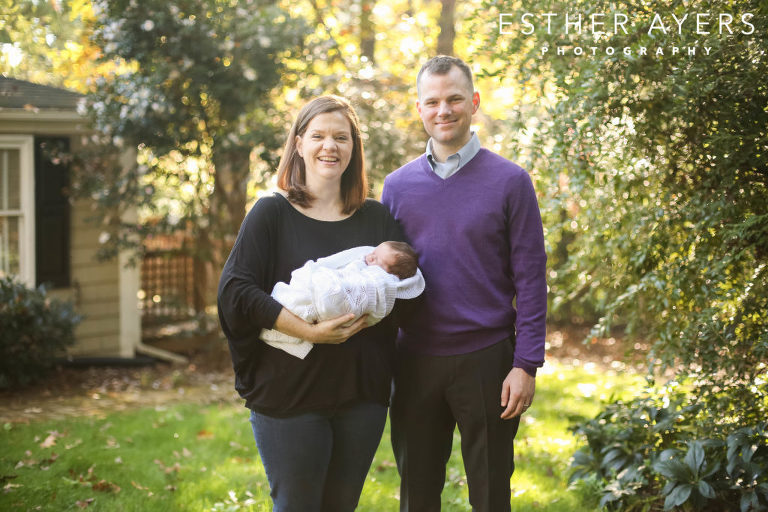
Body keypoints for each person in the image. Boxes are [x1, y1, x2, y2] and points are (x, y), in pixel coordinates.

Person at [217, 95, 408, 512]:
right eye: (318, 135)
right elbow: (236, 292)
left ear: (354, 148)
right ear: (299, 144)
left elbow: (405, 291)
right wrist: (309, 332)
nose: (330, 146)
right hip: (290, 395)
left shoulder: (377, 220)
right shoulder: (271, 213)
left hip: (362, 395)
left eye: (341, 137)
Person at [381, 55, 548, 511]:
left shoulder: (511, 182)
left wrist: (526, 363)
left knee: (492, 496)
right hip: (413, 360)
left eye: (454, 99)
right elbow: (384, 277)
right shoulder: (396, 187)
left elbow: (532, 279)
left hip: (488, 361)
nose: (444, 110)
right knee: (417, 496)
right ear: (419, 109)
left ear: (473, 102)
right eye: (432, 102)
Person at [261, 241, 425, 358]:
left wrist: (323, 280)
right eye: (373, 253)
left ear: (390, 276)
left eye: (376, 259)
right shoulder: (363, 263)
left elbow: (348, 295)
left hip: (325, 301)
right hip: (317, 292)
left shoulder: (378, 284)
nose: (369, 257)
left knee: (313, 297)